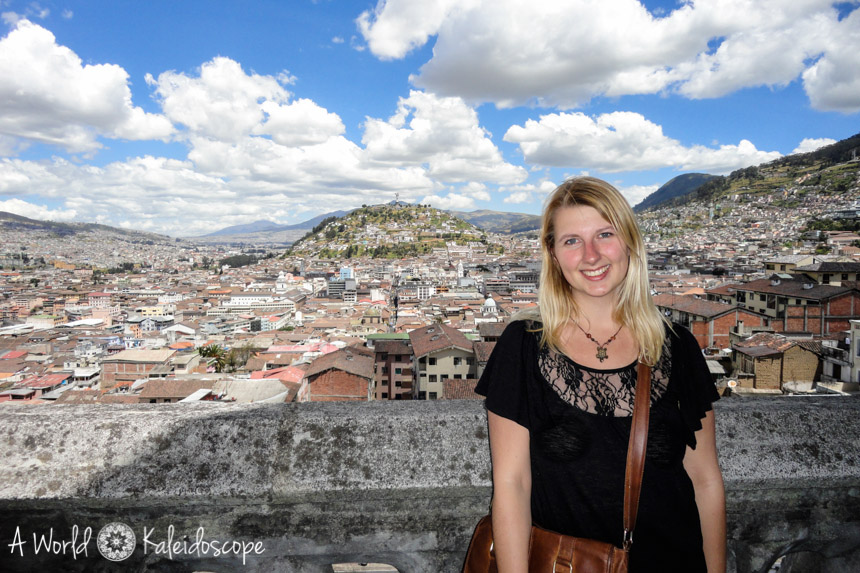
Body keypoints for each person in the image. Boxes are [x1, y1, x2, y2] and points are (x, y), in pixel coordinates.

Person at [475, 177, 726, 572]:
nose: (591, 255)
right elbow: (511, 486)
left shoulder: (678, 347)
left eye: (605, 235)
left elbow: (705, 479)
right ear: (554, 254)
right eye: (572, 241)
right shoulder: (522, 346)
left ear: (629, 242)